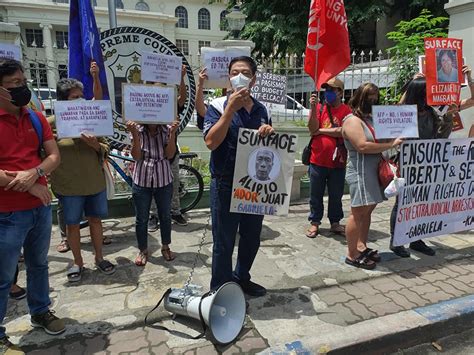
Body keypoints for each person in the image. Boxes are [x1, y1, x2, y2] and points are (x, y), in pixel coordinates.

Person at [0, 58, 64, 354]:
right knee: (3, 275)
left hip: (39, 207)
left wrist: (35, 173)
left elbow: (53, 156)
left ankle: (40, 311)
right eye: (14, 85)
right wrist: (29, 181)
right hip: (7, 211)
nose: (21, 89)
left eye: (23, 82)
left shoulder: (35, 117)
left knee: (39, 264)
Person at [204, 56, 274, 296]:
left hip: (254, 185)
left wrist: (268, 132)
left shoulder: (261, 109)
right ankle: (221, 289)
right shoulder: (217, 105)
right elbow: (211, 142)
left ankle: (241, 277)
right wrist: (229, 110)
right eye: (234, 72)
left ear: (253, 79)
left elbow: (268, 148)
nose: (239, 76)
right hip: (225, 182)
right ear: (228, 77)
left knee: (251, 236)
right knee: (223, 241)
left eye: (244, 72)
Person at [390, 66, 474, 257]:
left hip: (429, 166)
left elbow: (471, 101)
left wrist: (468, 78)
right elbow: (394, 112)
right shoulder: (406, 113)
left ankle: (416, 239)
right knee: (403, 202)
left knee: (423, 202)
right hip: (409, 165)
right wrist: (410, 84)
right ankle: (397, 241)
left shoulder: (437, 111)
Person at [50, 62, 115, 283]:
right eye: (73, 97)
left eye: (81, 96)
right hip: (68, 186)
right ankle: (78, 263)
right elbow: (42, 153)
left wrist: (96, 145)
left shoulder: (93, 118)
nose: (79, 101)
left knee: (96, 221)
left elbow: (106, 149)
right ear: (62, 101)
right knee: (72, 225)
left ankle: (99, 258)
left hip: (94, 183)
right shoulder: (50, 125)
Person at [342, 83, 402, 270]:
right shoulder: (352, 121)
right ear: (360, 97)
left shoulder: (370, 119)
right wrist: (390, 144)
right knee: (358, 213)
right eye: (370, 96)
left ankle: (361, 245)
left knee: (368, 211)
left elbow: (380, 138)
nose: (374, 99)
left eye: (376, 96)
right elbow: (362, 146)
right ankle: (351, 254)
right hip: (360, 171)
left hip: (374, 170)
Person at [126, 119, 179, 265]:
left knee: (165, 215)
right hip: (142, 178)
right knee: (141, 218)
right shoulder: (137, 129)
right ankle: (142, 249)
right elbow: (136, 156)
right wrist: (135, 135)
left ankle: (165, 246)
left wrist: (172, 134)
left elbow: (169, 155)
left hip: (163, 177)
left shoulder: (167, 128)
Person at [306, 77, 352, 238]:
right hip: (317, 160)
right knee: (315, 194)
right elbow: (312, 129)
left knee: (336, 195)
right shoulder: (319, 108)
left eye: (332, 90)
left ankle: (335, 223)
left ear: (340, 92)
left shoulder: (347, 111)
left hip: (338, 162)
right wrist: (312, 108)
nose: (328, 93)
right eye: (327, 90)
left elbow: (344, 131)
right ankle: (314, 222)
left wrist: (322, 131)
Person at [148, 65, 188, 230]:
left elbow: (183, 98)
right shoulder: (146, 107)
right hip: (152, 152)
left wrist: (181, 78)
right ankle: (153, 216)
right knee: (151, 186)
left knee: (173, 182)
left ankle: (175, 211)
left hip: (171, 152)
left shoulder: (173, 105)